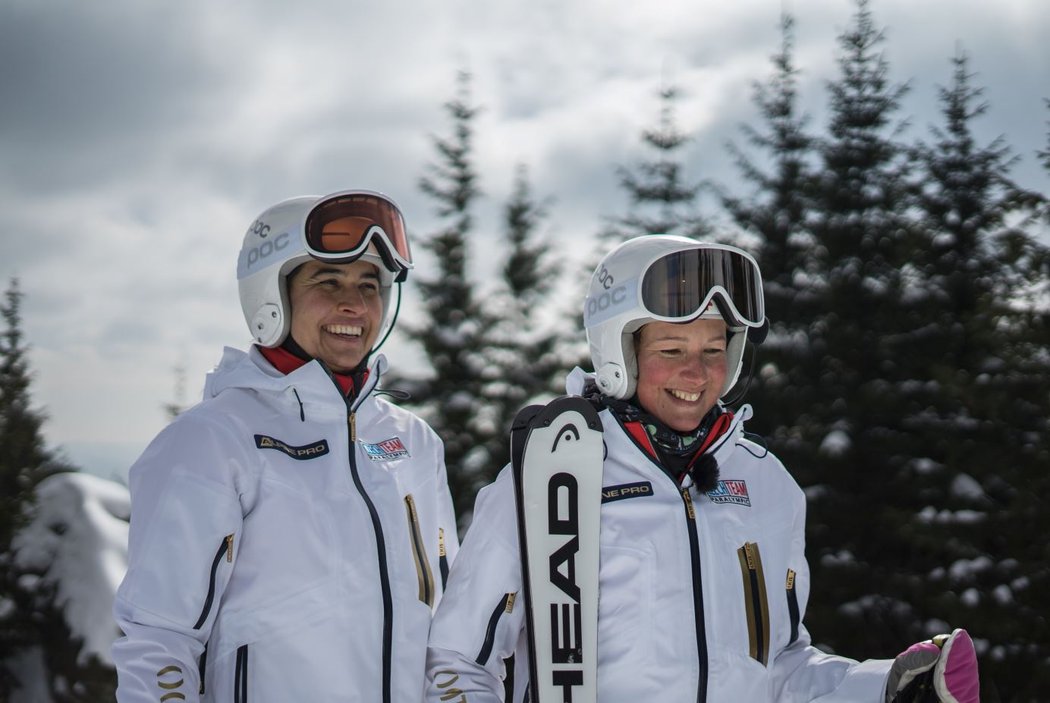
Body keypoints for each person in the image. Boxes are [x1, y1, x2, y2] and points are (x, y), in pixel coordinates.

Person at [424, 234, 978, 702]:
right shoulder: (553, 475)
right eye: (671, 350)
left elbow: (778, 669)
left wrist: (888, 687)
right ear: (620, 352)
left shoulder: (765, 484)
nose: (696, 373)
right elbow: (455, 662)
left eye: (714, 350)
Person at [113, 189, 459, 702]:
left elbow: (447, 629)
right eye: (328, 281)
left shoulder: (413, 443)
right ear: (270, 295)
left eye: (371, 285)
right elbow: (159, 639)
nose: (356, 305)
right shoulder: (212, 442)